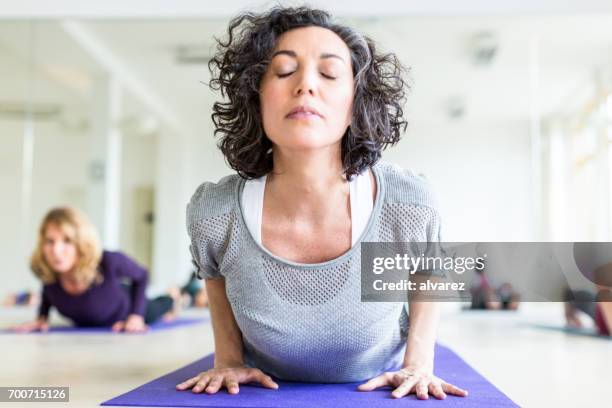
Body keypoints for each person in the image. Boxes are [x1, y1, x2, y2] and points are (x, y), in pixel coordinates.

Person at [176, 6, 468, 400]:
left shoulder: (408, 202)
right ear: (256, 98)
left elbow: (429, 271)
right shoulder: (215, 212)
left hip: (376, 374)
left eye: (329, 73)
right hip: (267, 380)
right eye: (282, 71)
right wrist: (227, 359)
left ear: (355, 104)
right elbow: (214, 276)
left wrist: (418, 363)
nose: (306, 85)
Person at [12, 207, 176, 333]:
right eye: (50, 241)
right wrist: (42, 317)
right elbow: (48, 290)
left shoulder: (107, 260)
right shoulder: (48, 272)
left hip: (128, 305)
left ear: (81, 242)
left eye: (67, 241)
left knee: (161, 305)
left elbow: (142, 275)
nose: (56, 250)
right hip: (95, 317)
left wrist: (136, 316)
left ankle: (174, 296)